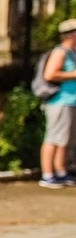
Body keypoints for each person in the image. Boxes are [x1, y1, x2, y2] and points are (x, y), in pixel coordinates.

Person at [39, 19, 76, 188]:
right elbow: (50, 74)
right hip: (59, 101)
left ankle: (61, 171)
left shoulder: (72, 53)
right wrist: (73, 74)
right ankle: (47, 174)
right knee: (54, 137)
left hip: (70, 101)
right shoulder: (60, 52)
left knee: (65, 139)